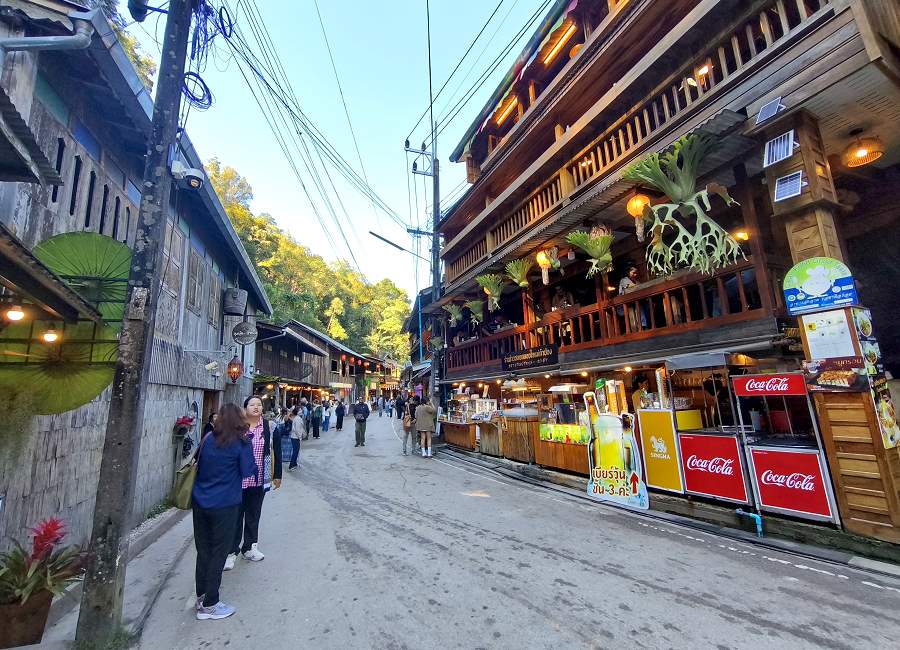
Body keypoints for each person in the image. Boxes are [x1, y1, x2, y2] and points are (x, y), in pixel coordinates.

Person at [192, 403, 256, 620]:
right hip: (225, 504)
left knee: (204, 551)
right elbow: (249, 471)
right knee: (219, 553)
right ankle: (211, 604)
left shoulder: (208, 439)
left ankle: (201, 597)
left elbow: (197, 464)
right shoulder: (240, 442)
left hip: (200, 502)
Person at [225, 395, 281, 570]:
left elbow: (276, 452)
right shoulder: (237, 427)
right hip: (238, 479)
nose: (256, 407)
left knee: (253, 514)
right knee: (235, 516)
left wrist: (277, 475)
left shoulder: (269, 426)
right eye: (252, 404)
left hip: (259, 479)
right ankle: (230, 552)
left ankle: (250, 547)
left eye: (259, 404)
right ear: (245, 408)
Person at [288, 405, 305, 471]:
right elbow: (297, 429)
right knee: (295, 451)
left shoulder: (297, 418)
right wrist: (300, 437)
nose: (301, 411)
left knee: (296, 451)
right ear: (297, 412)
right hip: (295, 437)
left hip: (295, 437)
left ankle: (294, 464)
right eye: (300, 410)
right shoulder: (297, 419)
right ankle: (292, 465)